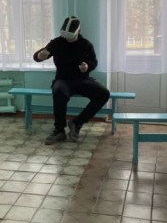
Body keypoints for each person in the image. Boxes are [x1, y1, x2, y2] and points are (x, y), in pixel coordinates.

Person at [33, 16, 111, 145]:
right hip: (63, 80)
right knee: (58, 91)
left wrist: (87, 66)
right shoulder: (57, 43)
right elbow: (37, 57)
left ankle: (77, 123)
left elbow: (94, 62)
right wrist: (40, 56)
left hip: (83, 80)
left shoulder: (86, 44)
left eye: (71, 36)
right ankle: (59, 131)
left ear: (78, 31)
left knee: (104, 94)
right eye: (66, 36)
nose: (68, 39)